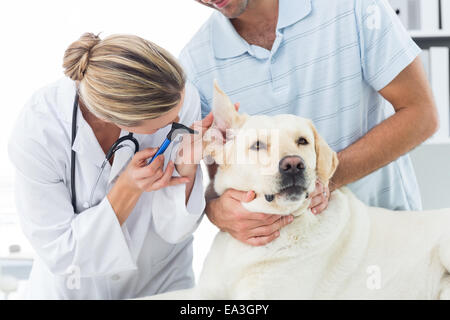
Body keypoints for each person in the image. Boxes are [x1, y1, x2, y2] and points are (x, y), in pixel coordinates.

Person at [180, 0, 438, 246]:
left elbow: (421, 114)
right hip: (283, 262)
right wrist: (217, 211)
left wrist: (324, 177)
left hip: (380, 239)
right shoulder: (196, 63)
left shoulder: (354, 6)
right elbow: (223, 175)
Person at [8, 33, 211, 299]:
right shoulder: (40, 130)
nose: (178, 123)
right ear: (119, 121)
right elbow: (62, 252)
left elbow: (176, 229)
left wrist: (188, 166)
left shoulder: (177, 95)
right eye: (166, 125)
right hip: (75, 289)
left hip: (161, 281)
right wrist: (127, 188)